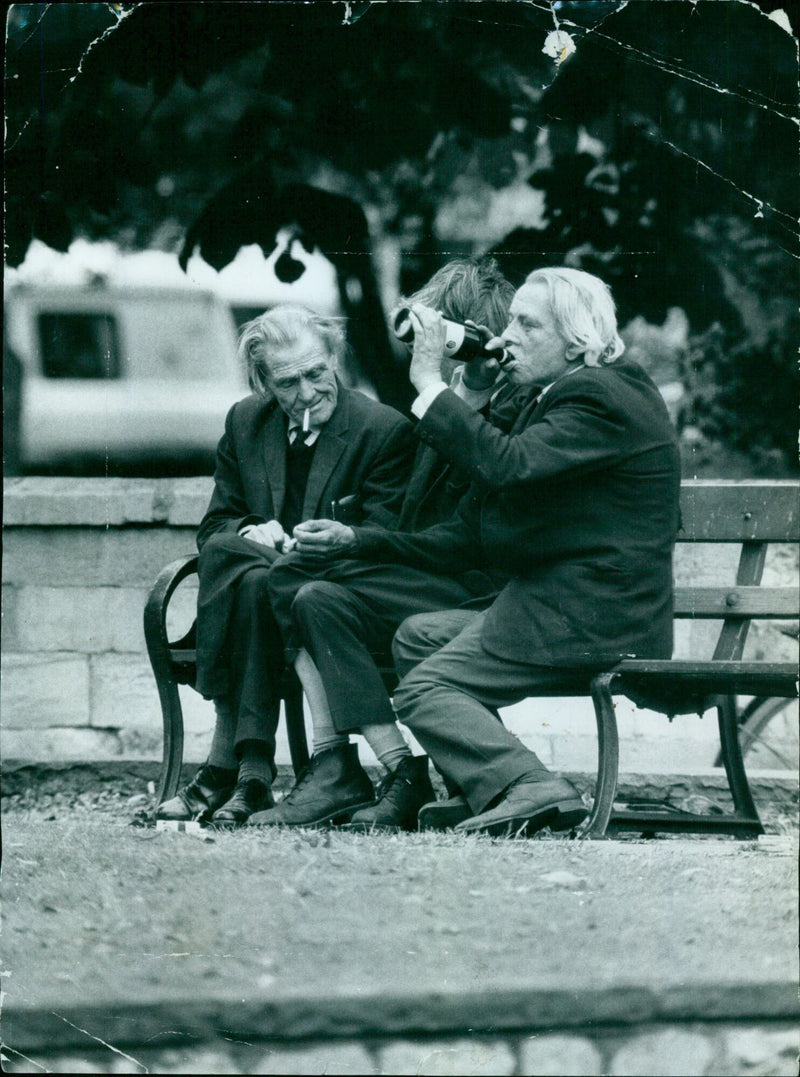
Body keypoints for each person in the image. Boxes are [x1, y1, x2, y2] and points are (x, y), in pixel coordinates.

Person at [275, 266, 682, 836]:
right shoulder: (561, 395)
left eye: (526, 324)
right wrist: (357, 539)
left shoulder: (598, 396)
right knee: (417, 636)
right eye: (509, 320)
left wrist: (429, 380)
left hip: (594, 613)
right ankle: (481, 789)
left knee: (423, 689)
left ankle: (529, 784)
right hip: (565, 604)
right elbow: (466, 533)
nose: (507, 334)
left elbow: (504, 464)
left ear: (577, 339)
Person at [248, 258, 518, 831]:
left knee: (292, 577)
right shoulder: (445, 398)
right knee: (312, 594)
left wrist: (358, 541)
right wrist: (346, 536)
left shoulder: (511, 409)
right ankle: (398, 768)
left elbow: (461, 539)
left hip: (476, 590)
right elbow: (405, 518)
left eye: (440, 330)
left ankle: (335, 762)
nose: (429, 344)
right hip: (424, 575)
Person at [156, 304, 415, 825]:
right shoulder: (247, 421)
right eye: (288, 382)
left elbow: (388, 539)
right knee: (244, 567)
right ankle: (252, 775)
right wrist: (252, 529)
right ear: (263, 382)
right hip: (265, 594)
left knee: (247, 573)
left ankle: (234, 769)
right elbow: (215, 528)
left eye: (317, 372)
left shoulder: (383, 429)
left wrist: (330, 541)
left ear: (333, 358)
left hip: (338, 593)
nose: (307, 392)